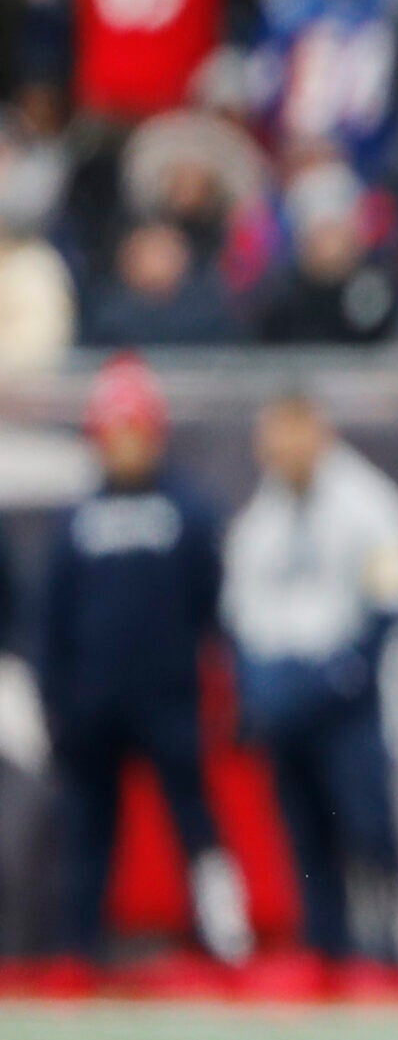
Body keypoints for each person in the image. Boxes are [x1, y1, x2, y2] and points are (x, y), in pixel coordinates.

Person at [37, 355, 250, 974]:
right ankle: (77, 952)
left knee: (196, 822)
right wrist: (57, 701)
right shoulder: (75, 518)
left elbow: (216, 609)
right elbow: (55, 619)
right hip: (92, 706)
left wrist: (228, 691)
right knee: (87, 834)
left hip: (168, 700)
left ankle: (225, 943)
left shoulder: (190, 511)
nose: (125, 445)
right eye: (114, 431)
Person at [223, 391, 398, 973]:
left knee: (366, 827)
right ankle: (325, 953)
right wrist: (259, 687)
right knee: (306, 833)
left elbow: (396, 598)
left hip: (352, 697)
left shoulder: (367, 503)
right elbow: (242, 612)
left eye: (292, 433)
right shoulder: (260, 518)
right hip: (287, 698)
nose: (281, 449)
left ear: (319, 433)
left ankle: (386, 951)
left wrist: (345, 672)